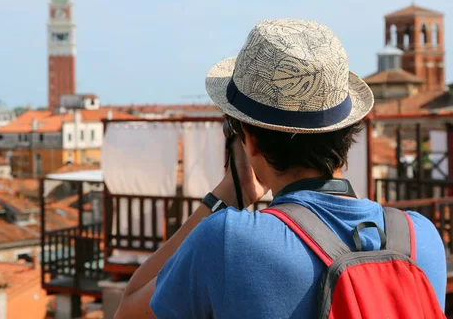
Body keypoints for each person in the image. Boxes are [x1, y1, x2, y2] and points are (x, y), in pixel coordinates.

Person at [114, 19, 446, 318]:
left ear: (250, 140)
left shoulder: (227, 241)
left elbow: (128, 308)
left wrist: (224, 196)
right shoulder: (419, 238)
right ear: (347, 132)